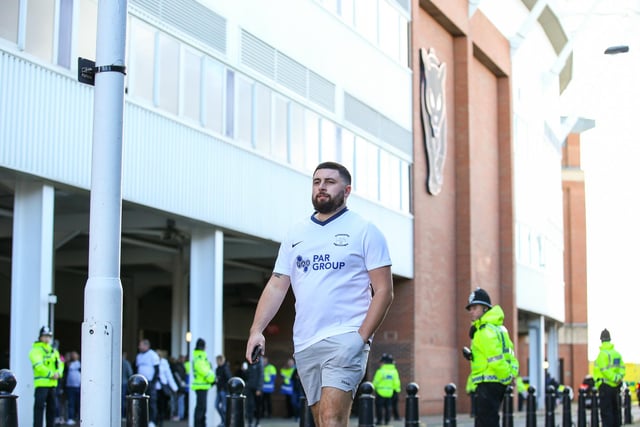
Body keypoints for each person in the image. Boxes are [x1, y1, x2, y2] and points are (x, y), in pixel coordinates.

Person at [245, 161, 394, 427]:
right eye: (317, 182)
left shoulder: (365, 230)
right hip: (305, 343)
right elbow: (277, 285)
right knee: (322, 421)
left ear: (347, 190)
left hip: (346, 337)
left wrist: (360, 338)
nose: (321, 187)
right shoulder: (295, 234)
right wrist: (257, 330)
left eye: (329, 182)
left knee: (331, 418)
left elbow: (384, 291)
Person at [463, 288, 518, 427]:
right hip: (495, 381)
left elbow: (495, 358)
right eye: (470, 308)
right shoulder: (498, 328)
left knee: (486, 421)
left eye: (475, 307)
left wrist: (506, 378)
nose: (471, 311)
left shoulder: (485, 331)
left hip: (489, 382)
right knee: (488, 419)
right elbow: (507, 354)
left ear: (485, 308)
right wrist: (472, 356)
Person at [29, 326, 61, 427]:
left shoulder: (53, 351)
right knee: (39, 409)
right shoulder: (35, 350)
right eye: (45, 336)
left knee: (52, 410)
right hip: (41, 385)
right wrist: (51, 374)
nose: (47, 338)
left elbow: (60, 363)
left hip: (52, 385)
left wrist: (58, 373)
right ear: (40, 337)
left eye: (49, 336)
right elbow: (38, 366)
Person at [593, 328, 625, 427]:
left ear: (601, 340)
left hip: (605, 386)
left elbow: (604, 370)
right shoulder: (616, 354)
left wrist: (613, 378)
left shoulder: (602, 355)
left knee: (606, 412)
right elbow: (622, 368)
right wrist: (618, 378)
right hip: (616, 386)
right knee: (616, 411)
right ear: (610, 339)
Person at [136, 339, 160, 427]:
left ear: (146, 346)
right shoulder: (139, 356)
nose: (139, 347)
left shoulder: (153, 355)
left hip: (150, 382)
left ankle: (152, 421)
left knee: (152, 402)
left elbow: (157, 369)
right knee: (141, 401)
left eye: (141, 345)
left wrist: (153, 382)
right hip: (140, 383)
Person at [192, 338, 216, 427]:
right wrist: (212, 378)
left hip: (203, 385)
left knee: (202, 408)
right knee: (201, 409)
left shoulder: (199, 356)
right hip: (201, 385)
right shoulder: (199, 356)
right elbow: (203, 370)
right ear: (203, 347)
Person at [372, 354, 401, 425]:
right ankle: (387, 421)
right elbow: (396, 382)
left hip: (380, 392)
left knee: (379, 407)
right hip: (390, 392)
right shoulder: (394, 371)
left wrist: (373, 388)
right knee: (388, 407)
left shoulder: (380, 371)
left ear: (383, 363)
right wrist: (396, 391)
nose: (380, 364)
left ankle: (379, 421)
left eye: (381, 362)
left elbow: (375, 382)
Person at [156, 349, 179, 421]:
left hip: (163, 387)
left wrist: (174, 387)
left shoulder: (164, 363)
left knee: (162, 405)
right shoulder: (152, 362)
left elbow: (169, 376)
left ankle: (161, 419)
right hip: (155, 387)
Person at [245, 355, 264, 427]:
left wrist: (259, 388)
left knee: (258, 406)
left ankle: (257, 422)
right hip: (249, 387)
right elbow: (247, 376)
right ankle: (250, 422)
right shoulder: (249, 362)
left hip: (257, 388)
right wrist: (244, 371)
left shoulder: (260, 362)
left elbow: (261, 375)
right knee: (249, 405)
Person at [215, 354, 232, 426]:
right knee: (216, 405)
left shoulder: (225, 368)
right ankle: (223, 421)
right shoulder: (217, 369)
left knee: (224, 408)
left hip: (224, 390)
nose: (216, 362)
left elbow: (229, 379)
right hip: (219, 390)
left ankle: (226, 422)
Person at [64, 351, 81, 425]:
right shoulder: (68, 363)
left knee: (79, 403)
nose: (73, 356)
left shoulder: (80, 363)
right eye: (72, 355)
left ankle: (79, 417)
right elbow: (68, 366)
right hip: (70, 386)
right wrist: (67, 359)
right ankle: (71, 418)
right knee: (71, 403)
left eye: (75, 354)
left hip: (79, 386)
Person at [122, 352, 134, 420]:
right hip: (124, 383)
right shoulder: (126, 363)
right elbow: (130, 373)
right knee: (123, 400)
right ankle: (123, 415)